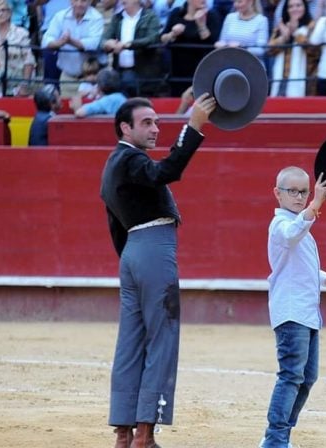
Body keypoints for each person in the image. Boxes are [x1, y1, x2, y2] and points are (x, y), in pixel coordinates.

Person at [100, 92, 217, 448]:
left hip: (132, 253)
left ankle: (124, 433)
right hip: (152, 249)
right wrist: (193, 127)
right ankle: (145, 434)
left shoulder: (114, 164)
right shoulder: (131, 159)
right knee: (162, 338)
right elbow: (167, 170)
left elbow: (115, 225)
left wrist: (131, 258)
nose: (155, 129)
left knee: (130, 343)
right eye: (146, 123)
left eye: (157, 121)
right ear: (125, 127)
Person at [259, 167, 326, 448]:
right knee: (292, 375)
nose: (299, 197)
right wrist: (315, 204)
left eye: (303, 192)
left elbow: (299, 268)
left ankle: (280, 435)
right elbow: (291, 235)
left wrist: (325, 277)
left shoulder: (299, 226)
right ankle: (275, 440)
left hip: (306, 312)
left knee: (307, 377)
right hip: (291, 312)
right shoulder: (281, 224)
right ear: (277, 194)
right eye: (292, 191)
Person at [42, 0, 105, 98]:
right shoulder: (60, 16)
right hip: (67, 78)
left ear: (89, 2)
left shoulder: (96, 18)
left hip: (90, 79)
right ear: (70, 1)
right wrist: (59, 43)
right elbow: (46, 40)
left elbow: (93, 44)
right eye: (75, 0)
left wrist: (70, 41)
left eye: (83, 1)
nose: (79, 4)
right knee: (66, 110)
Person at [161, 0, 223, 97]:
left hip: (201, 68)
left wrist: (201, 25)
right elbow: (162, 38)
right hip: (178, 70)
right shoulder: (176, 13)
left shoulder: (212, 15)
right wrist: (172, 34)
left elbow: (213, 43)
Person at [101, 0, 163, 97]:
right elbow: (103, 39)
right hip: (119, 71)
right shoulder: (117, 18)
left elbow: (152, 38)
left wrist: (128, 45)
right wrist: (108, 43)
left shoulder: (150, 16)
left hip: (143, 72)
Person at [267, 0, 320, 97]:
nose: (294, 9)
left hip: (304, 80)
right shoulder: (281, 28)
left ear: (305, 7)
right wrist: (284, 37)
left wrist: (295, 33)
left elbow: (314, 51)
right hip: (281, 80)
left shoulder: (312, 26)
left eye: (298, 5)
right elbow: (269, 50)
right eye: (290, 6)